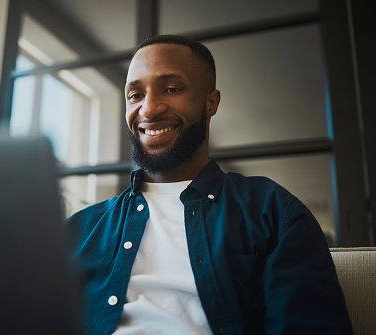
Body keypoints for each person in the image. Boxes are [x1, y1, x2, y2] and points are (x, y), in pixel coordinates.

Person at [65, 34, 352, 335]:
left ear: (210, 102)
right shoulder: (78, 231)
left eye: (171, 89)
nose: (148, 110)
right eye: (135, 95)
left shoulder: (272, 211)